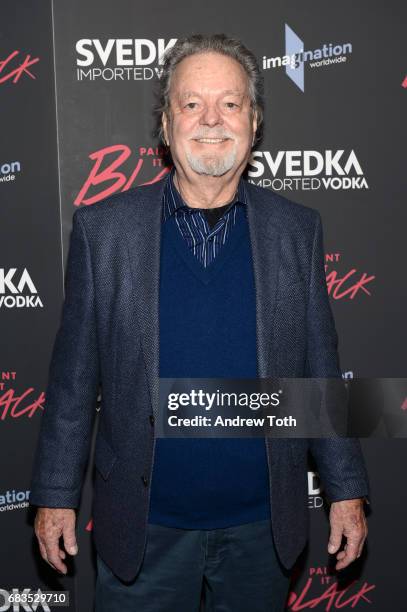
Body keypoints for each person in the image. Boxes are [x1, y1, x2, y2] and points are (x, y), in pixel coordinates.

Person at [30, 33, 370, 611]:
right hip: (143, 532)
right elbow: (72, 382)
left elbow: (319, 370)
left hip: (262, 532)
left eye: (230, 104)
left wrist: (345, 489)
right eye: (191, 104)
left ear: (254, 121)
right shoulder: (103, 231)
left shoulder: (297, 230)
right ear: (166, 124)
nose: (211, 120)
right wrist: (56, 493)